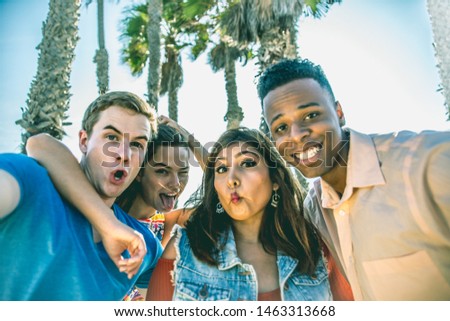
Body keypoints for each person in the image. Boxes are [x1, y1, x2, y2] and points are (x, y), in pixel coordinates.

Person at [258, 58, 450, 300]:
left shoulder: (427, 165)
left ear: (339, 113)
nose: (296, 135)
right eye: (281, 128)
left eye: (310, 115)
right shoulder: (315, 208)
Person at [0, 91, 163, 300]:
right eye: (111, 137)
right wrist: (108, 224)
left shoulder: (146, 245)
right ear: (84, 141)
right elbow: (39, 144)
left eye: (137, 144)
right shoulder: (29, 181)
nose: (124, 154)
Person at [146, 127, 332, 301]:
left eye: (247, 163)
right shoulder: (183, 251)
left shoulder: (314, 250)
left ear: (275, 179)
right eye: (221, 169)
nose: (231, 180)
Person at [119, 124, 191, 301]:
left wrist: (191, 140)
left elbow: (223, 200)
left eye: (183, 172)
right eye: (162, 171)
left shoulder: (168, 223)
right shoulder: (102, 212)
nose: (176, 184)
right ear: (138, 171)